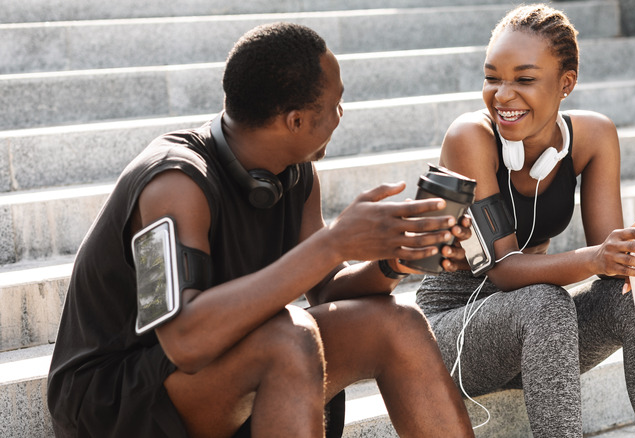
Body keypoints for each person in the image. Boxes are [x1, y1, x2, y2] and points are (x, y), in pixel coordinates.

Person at [47, 22, 476, 438]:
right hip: (114, 396)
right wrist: (332, 243)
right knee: (288, 338)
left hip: (227, 360)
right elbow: (184, 340)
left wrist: (391, 261)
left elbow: (325, 291)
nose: (341, 114)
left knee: (396, 322)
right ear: (294, 121)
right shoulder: (173, 186)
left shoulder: (295, 174)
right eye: (335, 104)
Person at [415, 4, 635, 437]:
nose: (502, 95)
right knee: (545, 301)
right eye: (492, 78)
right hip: (451, 333)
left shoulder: (593, 137)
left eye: (523, 79)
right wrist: (599, 258)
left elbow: (611, 269)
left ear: (566, 84)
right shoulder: (470, 137)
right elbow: (504, 271)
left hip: (539, 341)